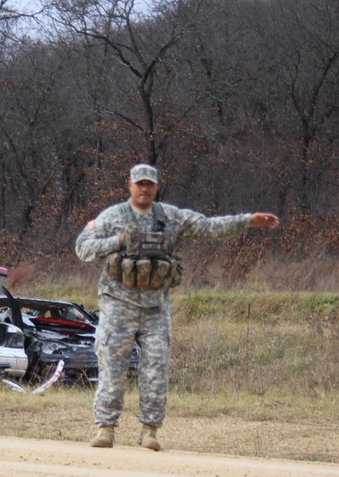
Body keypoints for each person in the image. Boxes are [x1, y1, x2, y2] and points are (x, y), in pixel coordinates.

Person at [75, 163, 279, 451]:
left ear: (156, 187)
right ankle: (105, 428)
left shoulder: (171, 217)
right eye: (139, 183)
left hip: (156, 307)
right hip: (118, 305)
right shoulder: (112, 217)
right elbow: (82, 248)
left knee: (156, 367)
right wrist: (119, 240)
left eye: (149, 184)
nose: (144, 188)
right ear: (129, 186)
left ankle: (150, 431)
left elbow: (209, 227)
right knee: (112, 367)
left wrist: (248, 220)